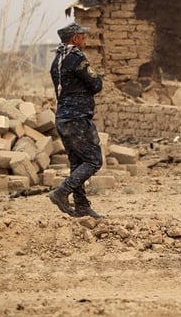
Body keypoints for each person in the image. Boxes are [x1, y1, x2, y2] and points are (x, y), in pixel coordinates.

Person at [47, 22, 104, 219]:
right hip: (77, 118)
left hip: (63, 118)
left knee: (77, 163)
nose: (85, 41)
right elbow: (96, 84)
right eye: (83, 37)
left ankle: (81, 206)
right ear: (74, 39)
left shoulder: (57, 61)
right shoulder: (77, 59)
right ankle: (62, 192)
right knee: (94, 160)